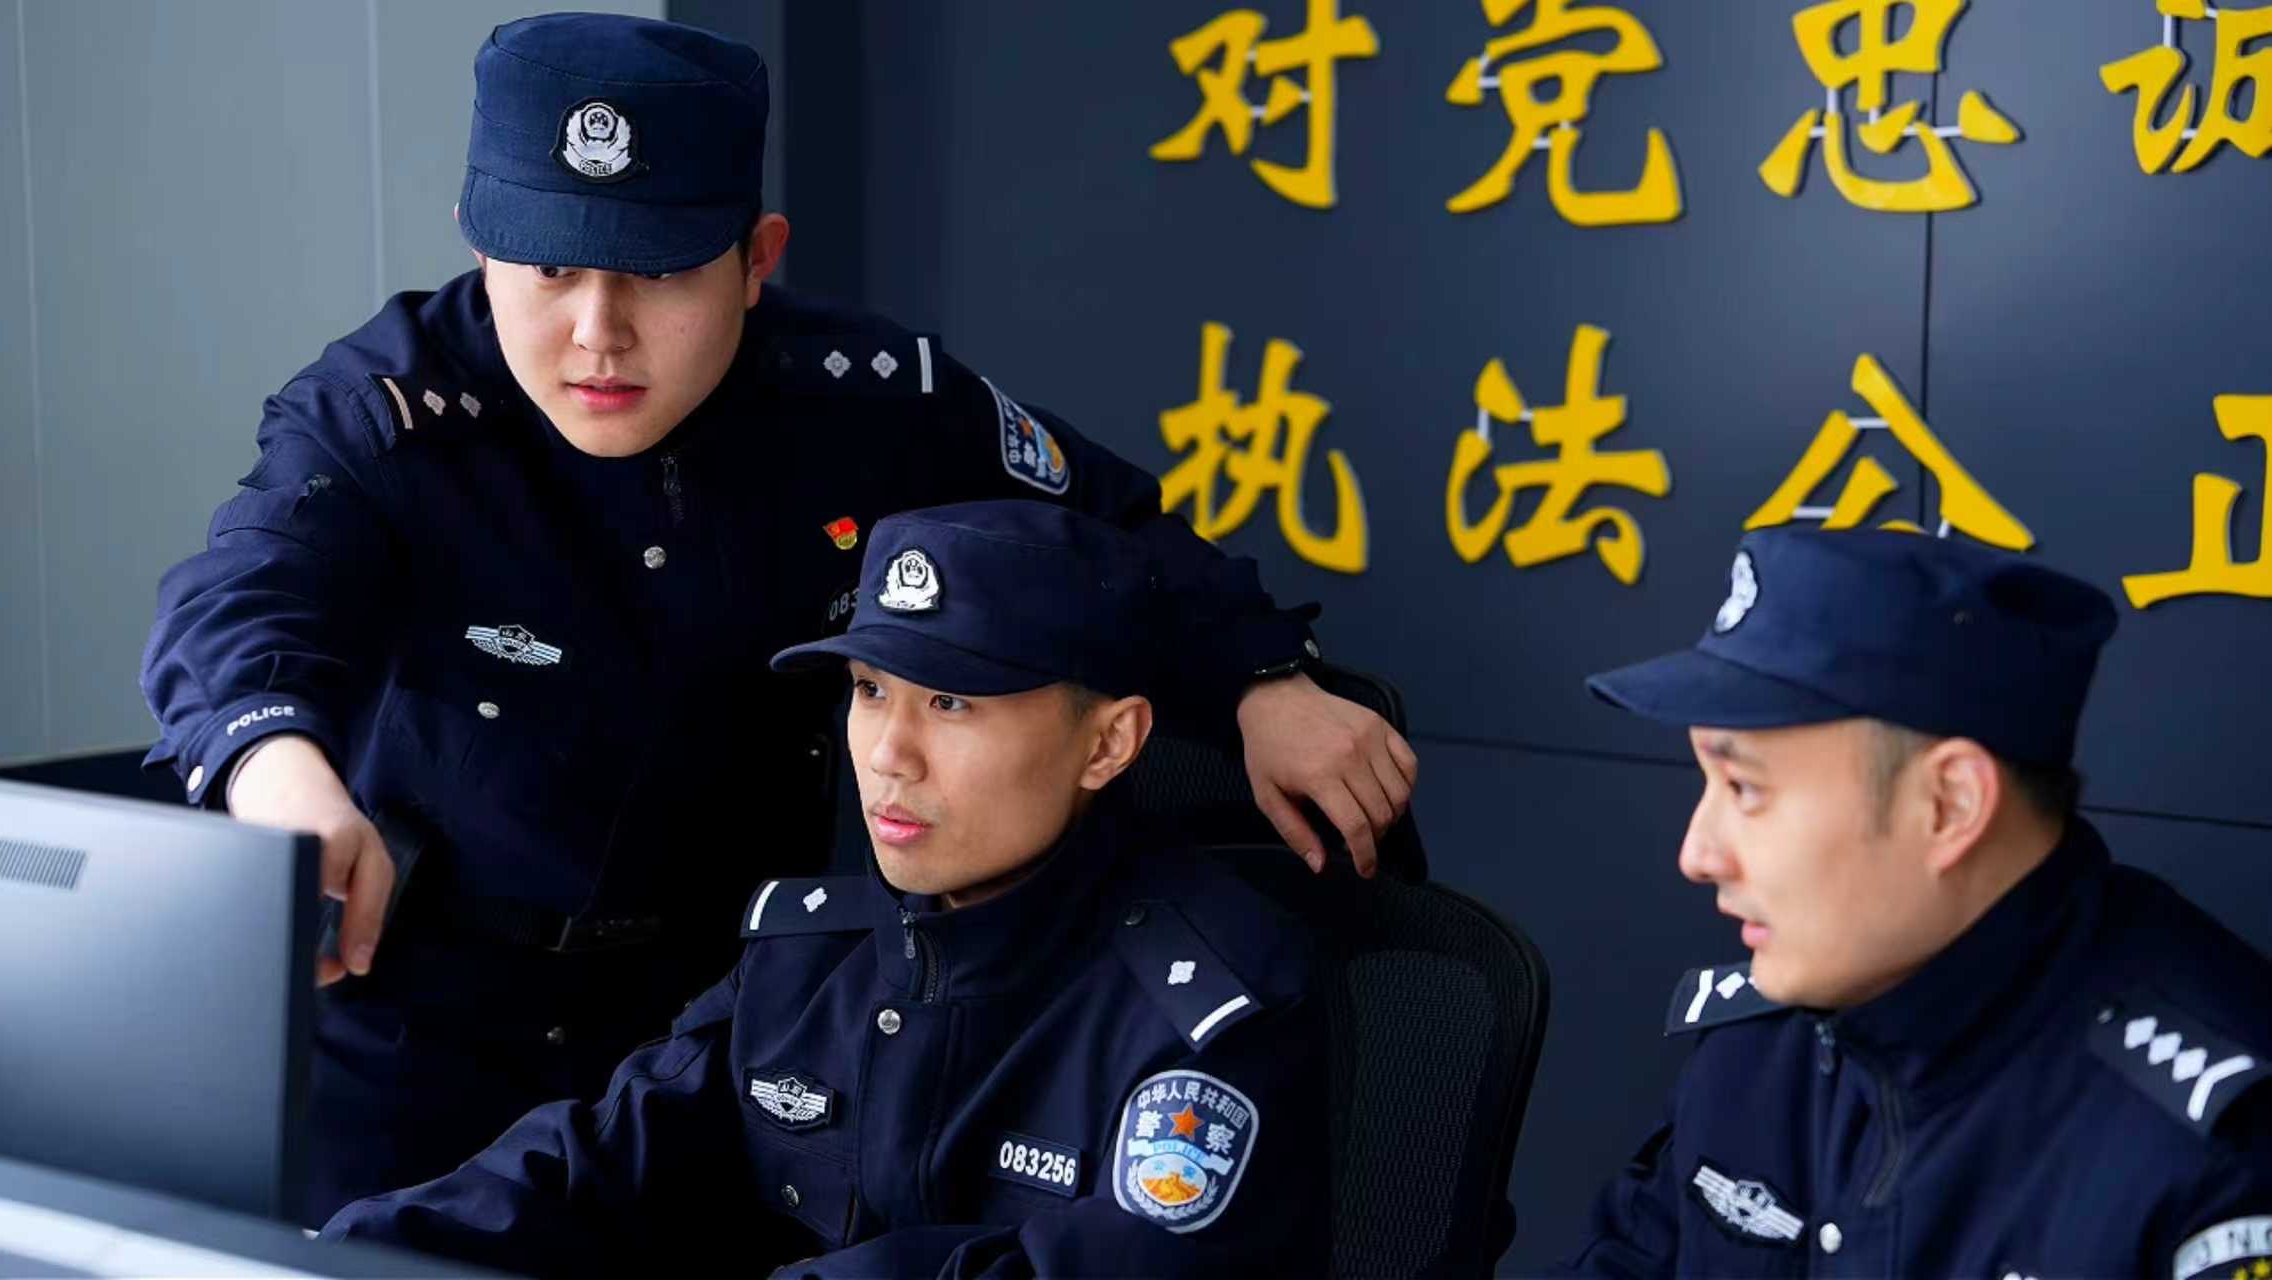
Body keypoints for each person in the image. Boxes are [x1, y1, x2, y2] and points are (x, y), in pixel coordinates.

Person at [136, 13, 1414, 1223]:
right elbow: (240, 592)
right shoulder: (392, 408)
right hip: (414, 1015)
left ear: (757, 259)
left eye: (656, 272)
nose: (596, 334)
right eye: (549, 268)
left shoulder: (862, 402)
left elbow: (1111, 530)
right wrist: (278, 772)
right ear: (480, 244)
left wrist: (1263, 677)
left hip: (712, 1022)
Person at [322, 500, 1330, 1279]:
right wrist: (335, 1257)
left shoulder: (1212, 1011)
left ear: (1108, 743)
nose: (888, 753)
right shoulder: (811, 953)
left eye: (950, 702)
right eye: (869, 690)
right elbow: (599, 1161)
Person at [1563, 527, 2272, 1278]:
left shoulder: (2214, 1150)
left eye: (1744, 788)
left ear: (1949, 805)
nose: (1698, 854)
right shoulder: (1762, 1040)